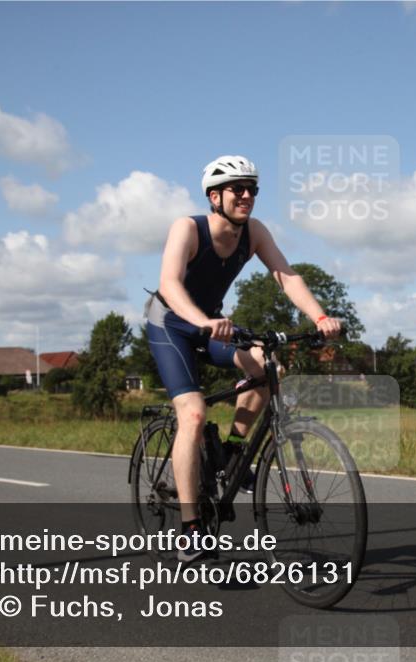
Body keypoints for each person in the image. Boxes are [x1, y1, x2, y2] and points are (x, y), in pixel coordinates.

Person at [145, 155, 341, 563]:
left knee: (267, 369)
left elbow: (286, 275)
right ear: (214, 196)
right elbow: (170, 283)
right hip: (172, 325)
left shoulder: (254, 232)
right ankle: (191, 530)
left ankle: (234, 452)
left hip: (213, 324)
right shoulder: (188, 228)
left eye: (252, 189)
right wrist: (202, 321)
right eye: (237, 188)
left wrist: (320, 317)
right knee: (193, 414)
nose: (247, 195)